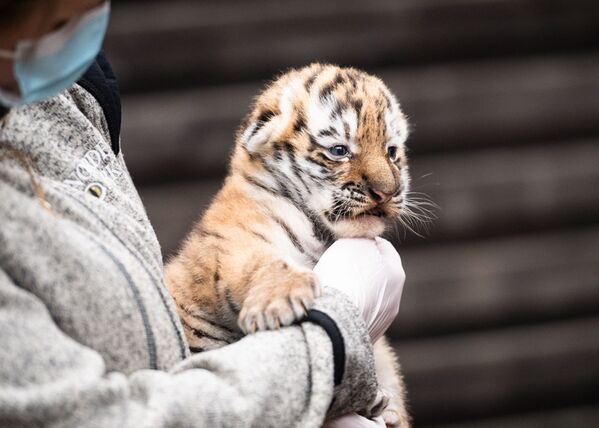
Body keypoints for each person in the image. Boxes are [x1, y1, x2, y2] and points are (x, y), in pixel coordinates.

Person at [0, 1, 405, 427]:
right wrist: (330, 346)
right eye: (337, 150)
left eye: (394, 154)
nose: (385, 183)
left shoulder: (66, 87)